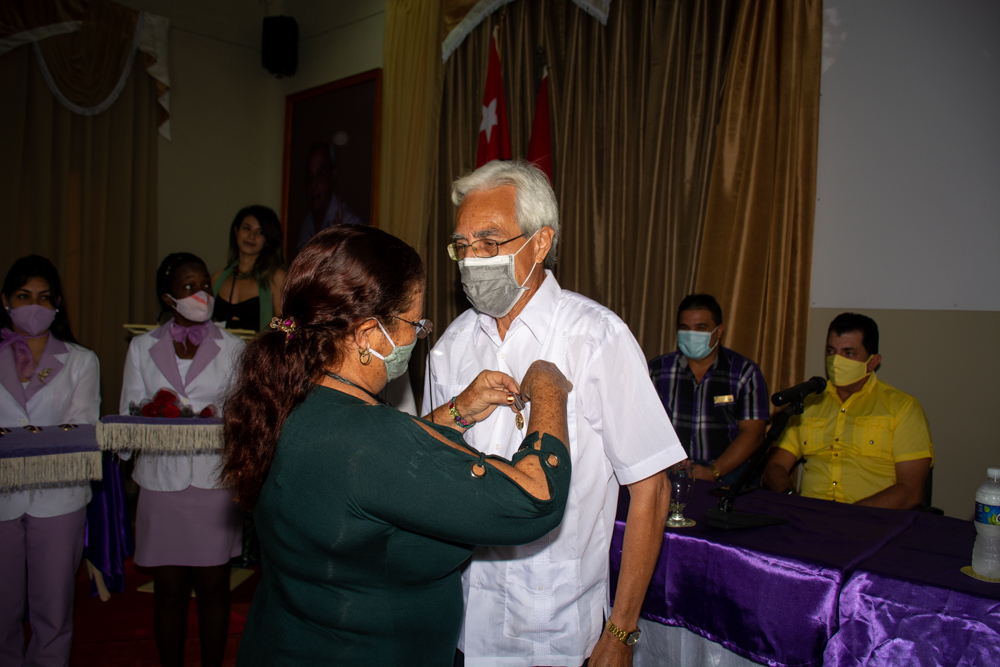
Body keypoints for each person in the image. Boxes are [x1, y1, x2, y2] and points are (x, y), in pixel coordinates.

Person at [221, 225, 573, 666]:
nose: (416, 336)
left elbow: (382, 476)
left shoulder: (284, 400)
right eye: (414, 324)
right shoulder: (369, 439)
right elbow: (537, 497)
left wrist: (457, 413)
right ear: (368, 334)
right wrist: (547, 386)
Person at [422, 160, 687, 666]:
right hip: (460, 622)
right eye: (463, 245)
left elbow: (651, 488)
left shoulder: (595, 336)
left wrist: (623, 632)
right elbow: (433, 469)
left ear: (539, 243)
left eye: (490, 242)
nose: (472, 259)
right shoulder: (450, 346)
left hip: (556, 631)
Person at [121, 253, 245, 667]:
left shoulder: (234, 347)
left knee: (213, 587)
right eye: (188, 287)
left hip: (212, 482)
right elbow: (129, 413)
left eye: (204, 286)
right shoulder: (141, 347)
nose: (200, 295)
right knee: (169, 589)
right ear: (168, 297)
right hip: (159, 481)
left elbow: (244, 414)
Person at [0, 255, 100, 667]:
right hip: (2, 498)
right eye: (24, 296)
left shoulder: (81, 360)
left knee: (52, 608)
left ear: (57, 303)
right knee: (2, 607)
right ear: (6, 300)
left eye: (43, 297)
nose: (34, 306)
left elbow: (79, 429)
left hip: (59, 498)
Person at [762, 313, 933, 509]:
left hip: (870, 522)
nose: (836, 361)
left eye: (848, 353)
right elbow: (775, 466)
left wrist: (849, 517)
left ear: (872, 361)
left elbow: (910, 491)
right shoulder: (808, 403)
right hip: (809, 518)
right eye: (831, 351)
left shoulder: (902, 408)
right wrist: (792, 499)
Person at [648, 294, 768, 485]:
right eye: (684, 328)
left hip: (729, 474)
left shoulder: (744, 372)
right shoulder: (657, 371)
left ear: (719, 331)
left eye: (700, 328)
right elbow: (645, 427)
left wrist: (713, 472)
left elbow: (753, 434)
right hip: (670, 473)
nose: (691, 334)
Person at [212, 205, 287, 332]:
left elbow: (285, 326)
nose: (251, 236)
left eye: (260, 232)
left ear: (268, 240)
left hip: (256, 351)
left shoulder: (277, 278)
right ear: (236, 231)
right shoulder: (217, 278)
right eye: (246, 228)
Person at [296, 141, 364, 251]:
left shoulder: (349, 223)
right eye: (310, 176)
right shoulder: (307, 224)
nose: (314, 184)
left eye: (321, 174)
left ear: (333, 176)